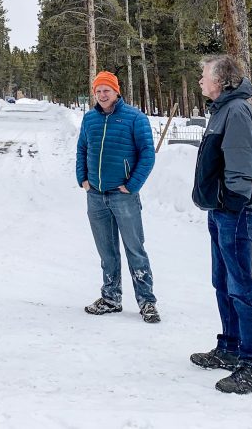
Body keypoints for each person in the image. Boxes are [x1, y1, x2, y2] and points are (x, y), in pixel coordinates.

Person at [190, 54, 252, 394]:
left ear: (220, 81)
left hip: (234, 211)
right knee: (222, 280)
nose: (200, 81)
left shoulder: (235, 111)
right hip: (222, 208)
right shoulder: (223, 109)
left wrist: (231, 202)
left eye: (204, 76)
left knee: (240, 285)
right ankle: (230, 347)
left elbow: (240, 165)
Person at [75, 70, 159, 324]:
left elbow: (147, 154)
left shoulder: (135, 118)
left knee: (135, 249)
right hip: (96, 196)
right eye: (98, 90)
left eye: (106, 90)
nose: (102, 95)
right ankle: (111, 297)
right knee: (107, 252)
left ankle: (147, 302)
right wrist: (83, 178)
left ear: (116, 91)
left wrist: (132, 185)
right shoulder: (89, 119)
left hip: (123, 196)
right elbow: (82, 148)